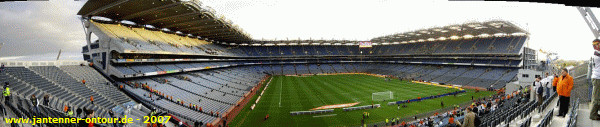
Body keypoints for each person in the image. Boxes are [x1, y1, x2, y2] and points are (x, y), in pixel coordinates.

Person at [590, 38, 600, 120]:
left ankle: (595, 113)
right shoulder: (597, 55)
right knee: (596, 98)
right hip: (597, 78)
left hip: (597, 77)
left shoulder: (596, 53)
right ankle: (593, 115)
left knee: (597, 97)